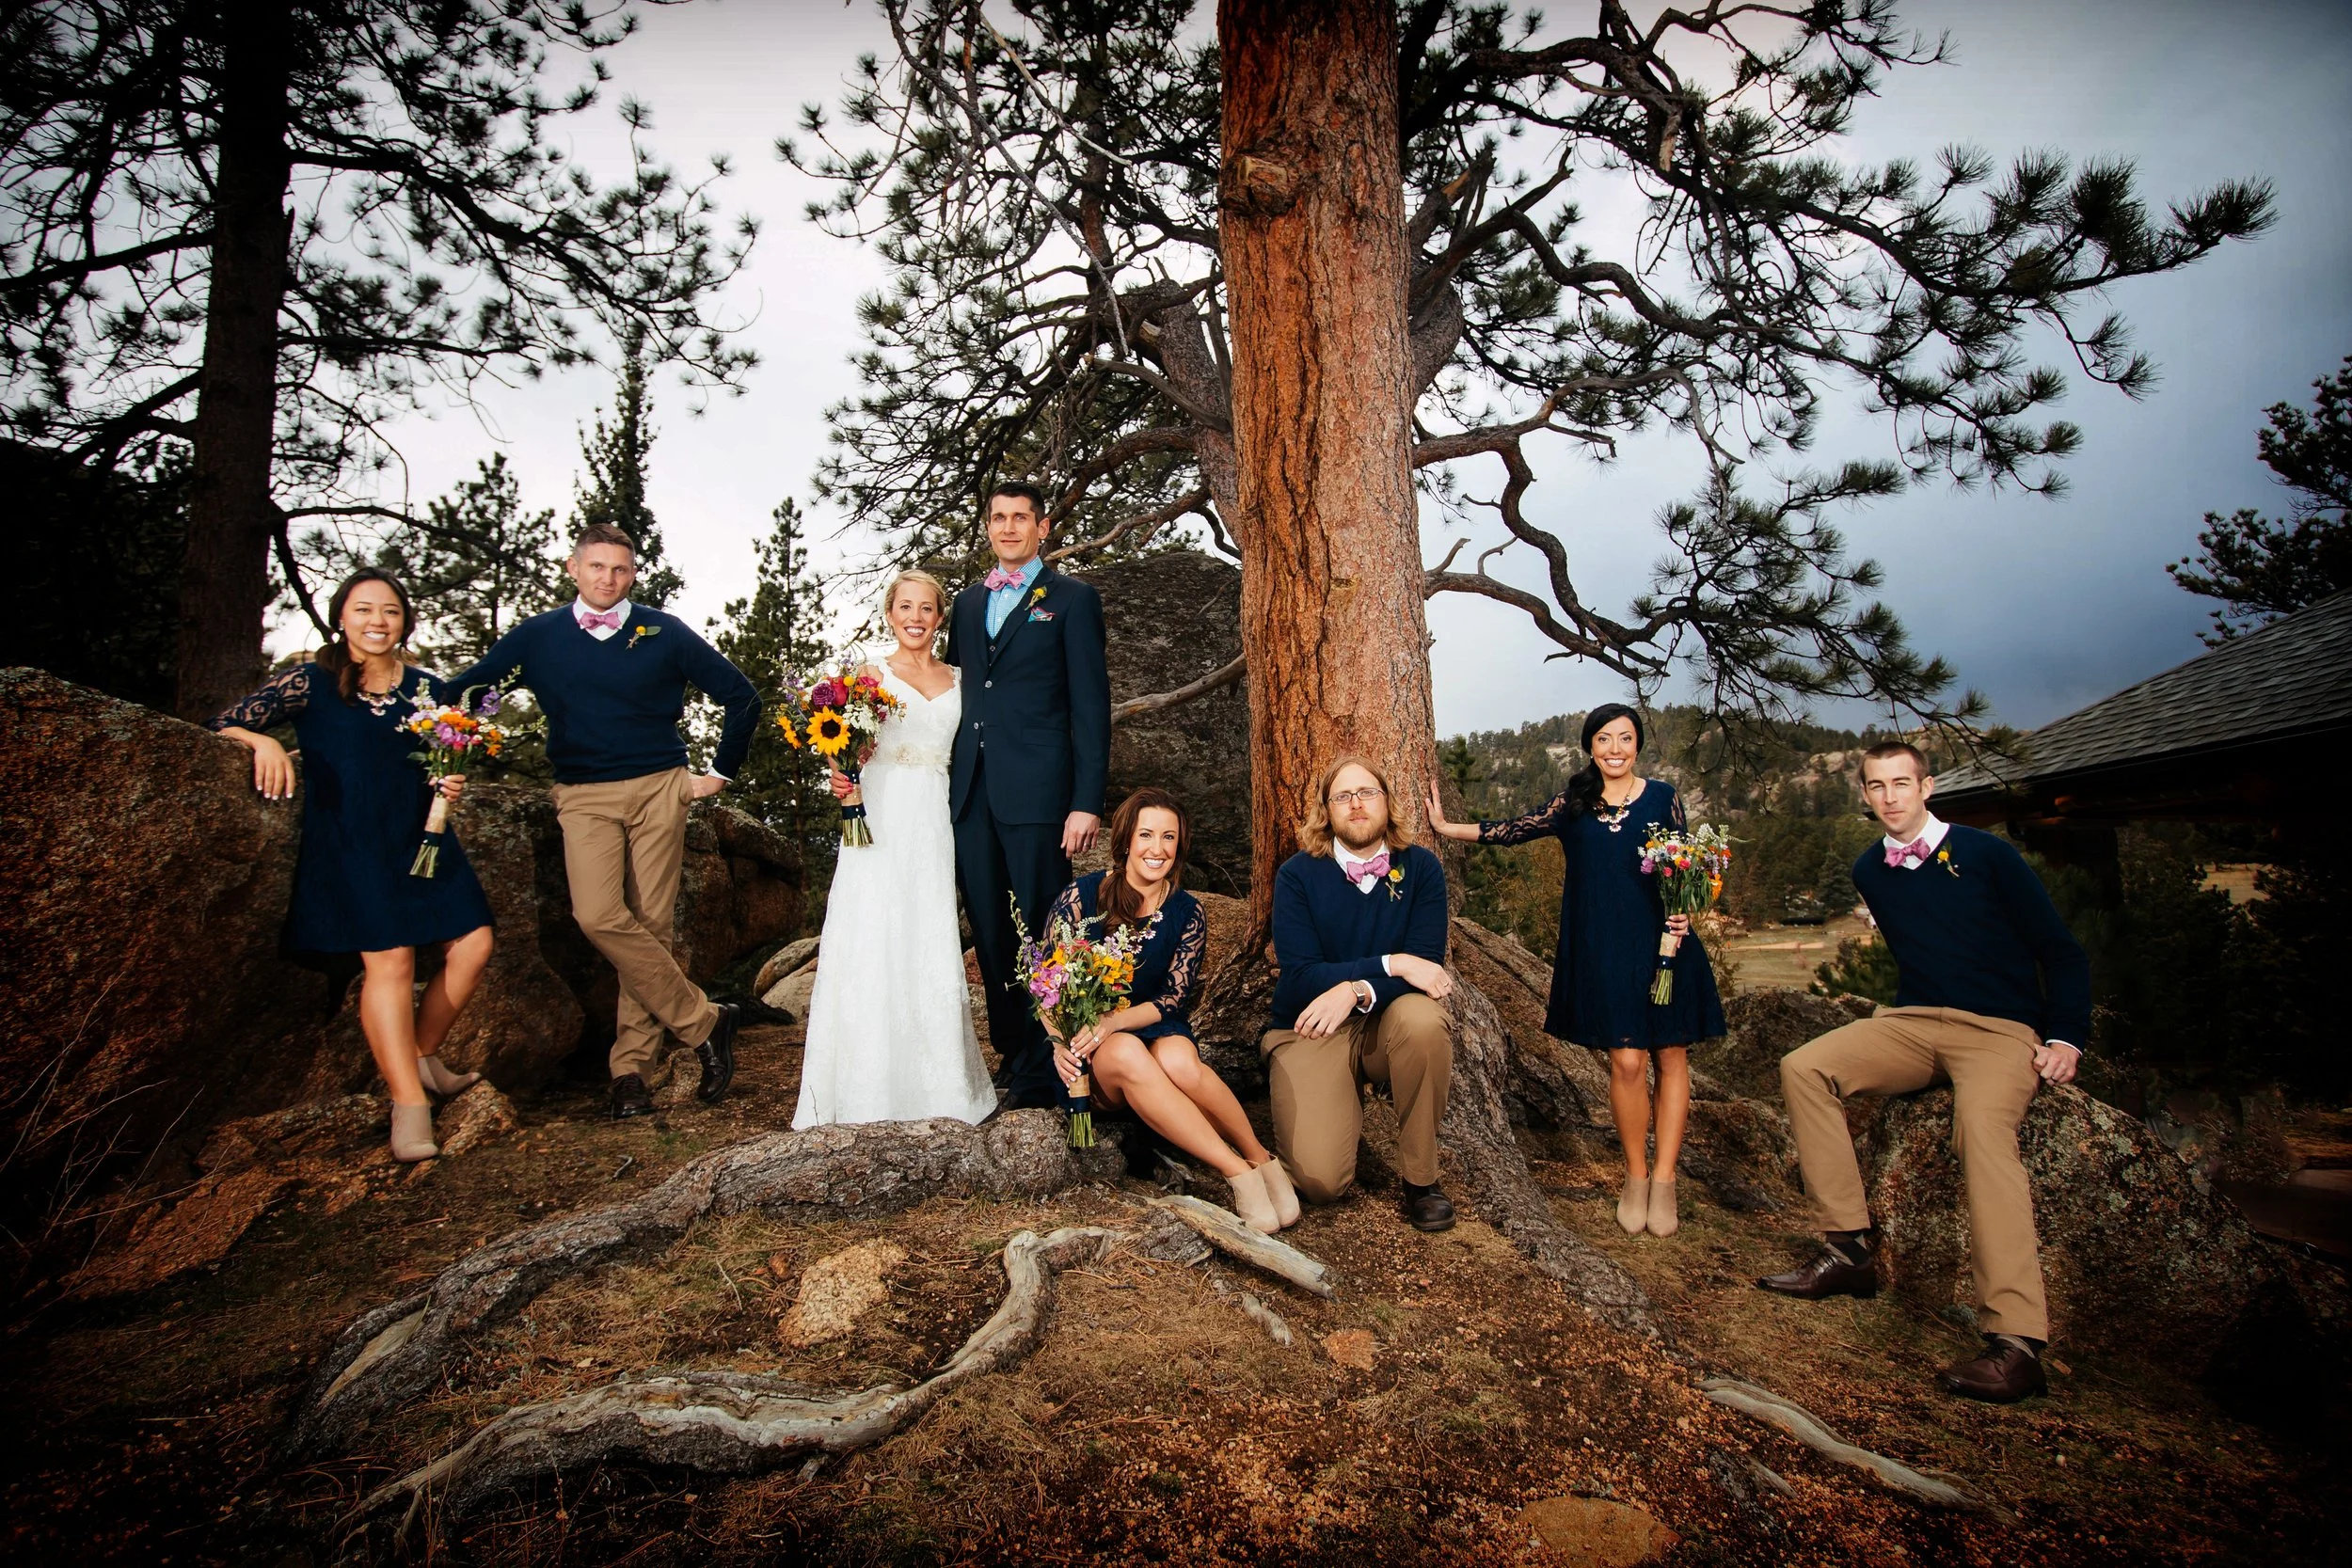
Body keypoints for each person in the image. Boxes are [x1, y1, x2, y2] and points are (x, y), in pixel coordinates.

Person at [1758, 740, 2090, 1404]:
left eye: (1901, 783)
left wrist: (2065, 1037)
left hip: (1998, 1030)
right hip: (1912, 1022)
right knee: (1805, 1066)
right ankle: (1849, 1249)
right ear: (1865, 794)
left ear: (1927, 786)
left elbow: (2060, 949)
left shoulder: (1987, 854)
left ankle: (2018, 1343)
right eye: (1876, 786)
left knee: (1981, 1133)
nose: (1889, 797)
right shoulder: (1869, 869)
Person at [450, 523, 761, 1120]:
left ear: (633, 573)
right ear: (573, 568)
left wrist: (719, 771)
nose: (607, 579)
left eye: (619, 569)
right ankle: (705, 1022)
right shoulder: (538, 637)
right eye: (596, 567)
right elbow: (466, 690)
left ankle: (630, 1074)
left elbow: (739, 694)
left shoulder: (662, 631)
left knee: (650, 924)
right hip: (583, 793)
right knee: (598, 915)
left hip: (659, 788)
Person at [211, 568, 494, 1162]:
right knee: (389, 960)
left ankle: (421, 1054)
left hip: (423, 837)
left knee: (474, 943)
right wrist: (262, 742)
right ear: (341, 616)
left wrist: (449, 781)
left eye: (389, 611)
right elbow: (224, 722)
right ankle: (409, 1105)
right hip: (350, 842)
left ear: (404, 622)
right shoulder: (310, 683)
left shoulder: (428, 690)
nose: (376, 622)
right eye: (363, 610)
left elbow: (439, 756)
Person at [1426, 703, 1725, 1239]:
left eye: (1626, 738)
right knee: (1628, 1061)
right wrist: (1448, 827)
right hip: (1603, 950)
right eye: (1605, 739)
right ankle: (1634, 1176)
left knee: (1671, 1054)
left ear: (1638, 745)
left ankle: (1664, 1180)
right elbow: (1515, 829)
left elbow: (1683, 868)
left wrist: (1686, 907)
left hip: (1665, 945)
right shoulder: (1576, 803)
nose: (1615, 749)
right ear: (1591, 746)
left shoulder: (1663, 798)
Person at [795, 571, 996, 1128]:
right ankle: (863, 1088)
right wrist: (841, 777)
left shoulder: (961, 677)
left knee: (925, 932)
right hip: (878, 814)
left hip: (933, 815)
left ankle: (937, 1088)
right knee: (872, 933)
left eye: (926, 608)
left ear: (938, 618)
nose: (915, 617)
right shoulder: (869, 674)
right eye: (905, 606)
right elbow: (838, 737)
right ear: (889, 613)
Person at [1047, 789, 1296, 1232]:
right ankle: (1236, 1172)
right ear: (1125, 840)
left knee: (1180, 1060)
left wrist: (1115, 1021)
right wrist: (1057, 1043)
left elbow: (1170, 1001)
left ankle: (1260, 1157)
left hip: (1151, 1024)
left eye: (1169, 837)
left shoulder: (1187, 912)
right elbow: (1047, 983)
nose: (1157, 849)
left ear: (1180, 845)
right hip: (1098, 1057)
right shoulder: (1082, 896)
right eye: (1146, 835)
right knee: (1123, 1051)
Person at [945, 483, 1112, 1111]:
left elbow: (1091, 708)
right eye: (998, 517)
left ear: (1042, 528)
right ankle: (1014, 1057)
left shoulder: (1071, 600)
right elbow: (957, 693)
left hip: (1042, 797)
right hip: (971, 796)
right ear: (987, 527)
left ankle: (1056, 1065)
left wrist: (1086, 799)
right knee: (989, 931)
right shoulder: (965, 605)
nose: (1009, 527)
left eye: (1021, 518)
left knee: (1047, 930)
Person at [1262, 756, 1457, 1233]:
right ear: (1326, 811)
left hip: (1388, 1021)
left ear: (1387, 803)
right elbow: (1302, 974)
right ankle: (1336, 1097)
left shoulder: (1421, 869)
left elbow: (1426, 969)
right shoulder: (1297, 875)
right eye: (1343, 796)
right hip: (1309, 1025)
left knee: (1424, 1023)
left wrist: (1356, 988)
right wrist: (1392, 963)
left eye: (1367, 792)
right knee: (1319, 1181)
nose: (1356, 804)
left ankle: (1421, 1181)